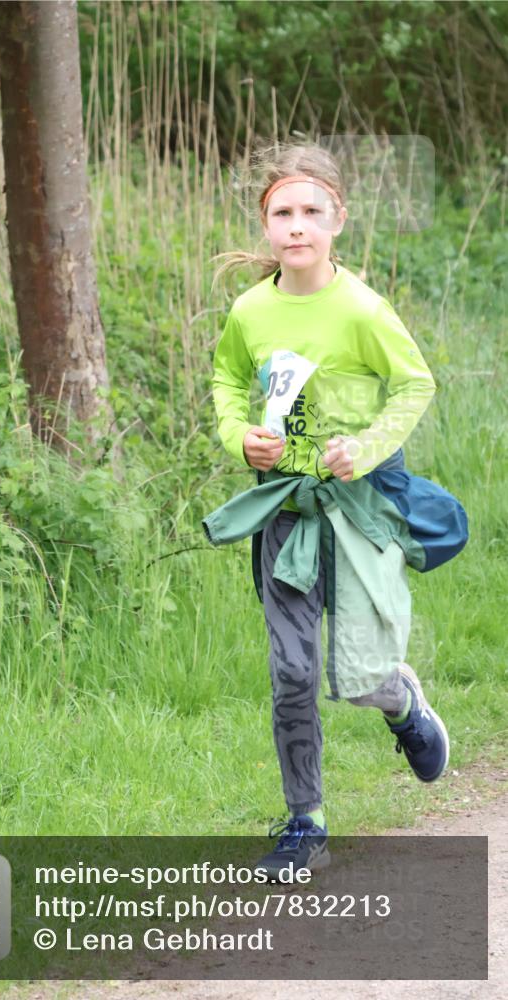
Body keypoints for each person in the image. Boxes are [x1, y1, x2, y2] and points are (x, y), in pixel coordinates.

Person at [208, 141, 451, 879]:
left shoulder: (361, 310)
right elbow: (224, 381)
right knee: (291, 671)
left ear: (337, 219)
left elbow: (414, 385)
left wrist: (366, 447)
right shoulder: (250, 311)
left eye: (311, 211)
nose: (295, 226)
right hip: (286, 512)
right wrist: (237, 436)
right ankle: (304, 821)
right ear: (265, 223)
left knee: (355, 677)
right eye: (281, 212)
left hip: (356, 512)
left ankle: (400, 701)